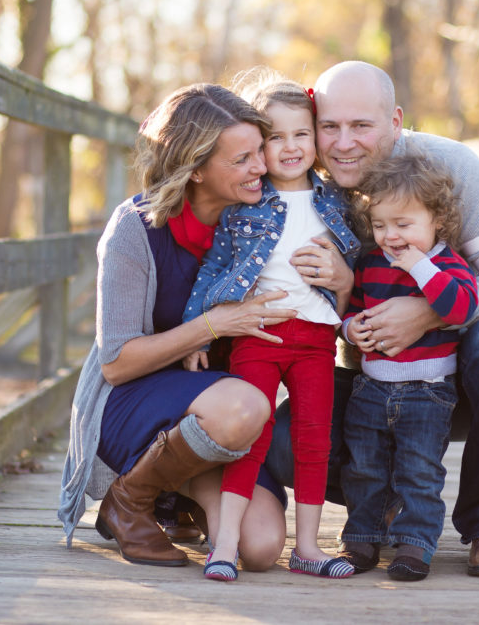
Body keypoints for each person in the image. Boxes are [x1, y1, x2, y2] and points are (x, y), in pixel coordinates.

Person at [265, 60, 479, 578]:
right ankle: (387, 506)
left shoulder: (449, 167)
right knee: (278, 439)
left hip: (449, 378)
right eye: (330, 126)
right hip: (369, 385)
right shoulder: (302, 180)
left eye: (361, 126)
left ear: (395, 121)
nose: (343, 143)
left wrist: (427, 311)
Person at [57, 83, 296, 573]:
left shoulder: (264, 221)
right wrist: (212, 325)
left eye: (260, 153)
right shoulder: (136, 229)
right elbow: (117, 364)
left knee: (261, 547)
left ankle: (175, 492)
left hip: (224, 422)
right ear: (196, 168)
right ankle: (130, 498)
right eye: (242, 159)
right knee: (244, 404)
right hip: (138, 404)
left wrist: (339, 275)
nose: (260, 168)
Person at [182, 73, 360, 581]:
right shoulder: (244, 207)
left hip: (317, 340)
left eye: (301, 134)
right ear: (260, 145)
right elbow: (213, 269)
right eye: (274, 137)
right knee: (252, 437)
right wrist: (199, 329)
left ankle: (307, 547)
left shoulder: (337, 203)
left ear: (317, 140)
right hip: (258, 336)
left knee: (313, 439)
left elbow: (360, 269)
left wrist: (347, 288)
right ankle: (225, 545)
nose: (289, 147)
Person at [340, 152, 478, 581]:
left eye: (404, 225)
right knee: (364, 467)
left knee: (418, 471)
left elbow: (460, 308)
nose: (390, 236)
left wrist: (421, 267)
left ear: (436, 219)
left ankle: (414, 546)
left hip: (427, 391)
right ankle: (361, 539)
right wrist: (350, 330)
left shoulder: (447, 264)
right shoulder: (371, 264)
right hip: (372, 386)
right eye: (380, 226)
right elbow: (354, 309)